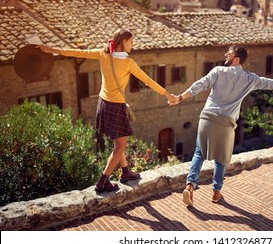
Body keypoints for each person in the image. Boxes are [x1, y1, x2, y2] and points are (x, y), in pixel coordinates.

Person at [38, 28, 178, 193]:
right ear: (124, 41)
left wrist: (51, 50)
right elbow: (147, 80)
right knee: (120, 145)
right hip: (116, 106)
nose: (132, 45)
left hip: (103, 104)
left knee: (118, 142)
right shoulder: (128, 62)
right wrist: (168, 95)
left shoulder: (102, 54)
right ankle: (103, 181)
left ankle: (125, 172)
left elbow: (77, 53)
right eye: (131, 42)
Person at [174, 45, 273, 206]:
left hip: (207, 116)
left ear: (236, 58)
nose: (225, 55)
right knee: (221, 158)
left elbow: (199, 85)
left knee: (199, 153)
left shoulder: (218, 71)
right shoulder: (250, 78)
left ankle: (190, 186)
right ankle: (216, 192)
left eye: (228, 53)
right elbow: (272, 84)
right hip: (226, 122)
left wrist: (180, 97)